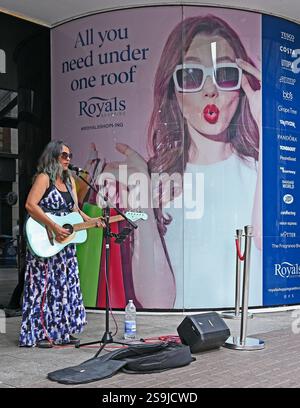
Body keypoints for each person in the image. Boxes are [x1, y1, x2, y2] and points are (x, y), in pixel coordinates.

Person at [102, 14, 262, 309]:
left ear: (243, 89)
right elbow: (156, 301)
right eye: (191, 76)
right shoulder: (155, 180)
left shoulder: (258, 172)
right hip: (180, 338)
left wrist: (269, 131)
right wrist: (141, 195)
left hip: (254, 333)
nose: (210, 90)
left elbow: (272, 256)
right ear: (173, 92)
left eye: (226, 73)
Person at [19, 140, 103, 348]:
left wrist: (93, 222)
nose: (68, 160)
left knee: (65, 287)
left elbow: (75, 211)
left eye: (70, 156)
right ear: (53, 156)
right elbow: (30, 205)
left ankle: (62, 331)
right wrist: (53, 226)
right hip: (46, 241)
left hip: (65, 246)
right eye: (64, 155)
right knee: (43, 288)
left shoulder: (70, 181)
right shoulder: (44, 178)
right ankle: (39, 333)